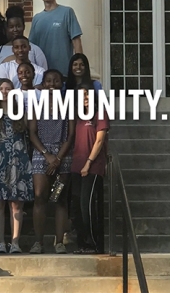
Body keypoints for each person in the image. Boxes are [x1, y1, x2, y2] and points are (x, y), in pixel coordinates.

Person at [0, 79, 33, 254]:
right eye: (1, 89)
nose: (4, 91)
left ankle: (15, 242)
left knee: (16, 204)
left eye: (8, 89)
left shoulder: (20, 111)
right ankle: (0, 243)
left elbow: (30, 132)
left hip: (18, 160)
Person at [29, 69, 75, 255]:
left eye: (56, 81)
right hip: (42, 153)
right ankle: (38, 242)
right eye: (48, 81)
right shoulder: (36, 104)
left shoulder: (67, 105)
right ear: (43, 84)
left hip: (63, 154)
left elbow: (71, 134)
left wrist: (57, 158)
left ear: (61, 84)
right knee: (40, 196)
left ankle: (59, 242)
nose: (52, 85)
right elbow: (32, 133)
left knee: (60, 198)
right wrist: (47, 155)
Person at [71, 83, 108, 254]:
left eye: (87, 95)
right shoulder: (77, 115)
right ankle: (83, 243)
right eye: (81, 96)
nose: (84, 99)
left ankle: (95, 243)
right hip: (76, 166)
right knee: (77, 206)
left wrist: (88, 163)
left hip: (92, 167)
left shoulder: (100, 113)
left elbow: (99, 141)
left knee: (88, 205)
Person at [29, 0, 83, 77]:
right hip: (42, 74)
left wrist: (79, 65)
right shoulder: (36, 18)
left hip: (64, 73)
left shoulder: (67, 12)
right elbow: (32, 47)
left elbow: (76, 40)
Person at [0, 5, 48, 72]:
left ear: (24, 26)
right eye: (11, 27)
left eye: (18, 26)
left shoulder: (35, 50)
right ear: (7, 28)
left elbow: (44, 74)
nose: (15, 30)